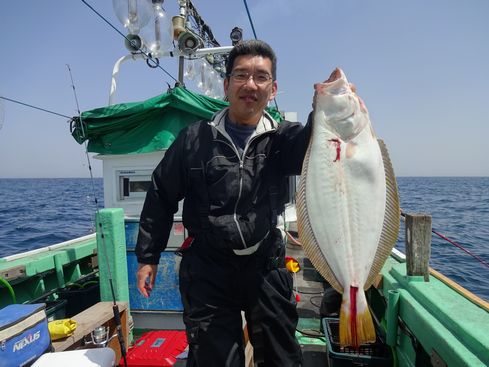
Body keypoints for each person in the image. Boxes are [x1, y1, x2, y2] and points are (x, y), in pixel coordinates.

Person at [135, 39, 311, 367]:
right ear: (227, 85)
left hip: (265, 264)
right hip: (208, 266)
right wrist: (148, 257)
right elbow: (160, 194)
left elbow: (316, 142)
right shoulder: (194, 139)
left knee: (282, 357)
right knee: (214, 359)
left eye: (261, 77)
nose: (251, 84)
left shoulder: (283, 139)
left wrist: (329, 106)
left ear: (272, 89)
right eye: (242, 75)